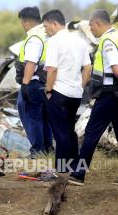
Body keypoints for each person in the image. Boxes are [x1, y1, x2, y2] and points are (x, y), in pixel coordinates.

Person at [70, 10, 118, 185]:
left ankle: (78, 174)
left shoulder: (108, 41)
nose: (91, 30)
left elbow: (117, 70)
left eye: (91, 26)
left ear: (97, 23)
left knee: (91, 133)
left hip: (110, 95)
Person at [42, 10, 92, 173]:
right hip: (75, 94)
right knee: (69, 130)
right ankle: (74, 167)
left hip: (59, 92)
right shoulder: (80, 41)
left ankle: (61, 170)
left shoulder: (54, 41)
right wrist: (81, 86)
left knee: (60, 132)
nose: (45, 29)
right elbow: (88, 67)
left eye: (46, 26)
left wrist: (48, 90)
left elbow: (52, 69)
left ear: (55, 24)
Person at [15, 6, 53, 158]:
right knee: (45, 117)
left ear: (26, 21)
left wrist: (25, 84)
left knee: (32, 117)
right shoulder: (47, 34)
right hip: (46, 82)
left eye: (22, 22)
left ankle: (37, 151)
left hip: (34, 82)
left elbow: (31, 63)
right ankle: (47, 149)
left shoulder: (34, 38)